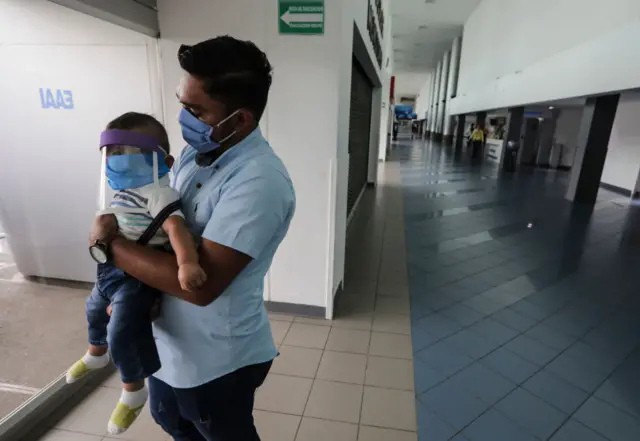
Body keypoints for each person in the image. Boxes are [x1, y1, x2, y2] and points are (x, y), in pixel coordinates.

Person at [89, 36, 295, 441]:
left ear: (240, 120)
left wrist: (108, 245)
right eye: (183, 104)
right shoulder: (191, 154)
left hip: (215, 360)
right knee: (176, 426)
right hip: (169, 347)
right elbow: (157, 225)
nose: (184, 119)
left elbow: (203, 288)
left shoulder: (259, 182)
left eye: (195, 111)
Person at [66, 113, 207, 435]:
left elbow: (176, 229)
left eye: (133, 154)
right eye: (115, 155)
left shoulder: (159, 193)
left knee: (121, 329)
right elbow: (107, 222)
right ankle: (95, 352)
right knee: (93, 309)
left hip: (140, 275)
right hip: (113, 271)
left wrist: (186, 263)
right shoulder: (120, 192)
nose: (122, 162)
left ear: (162, 160)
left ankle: (132, 389)